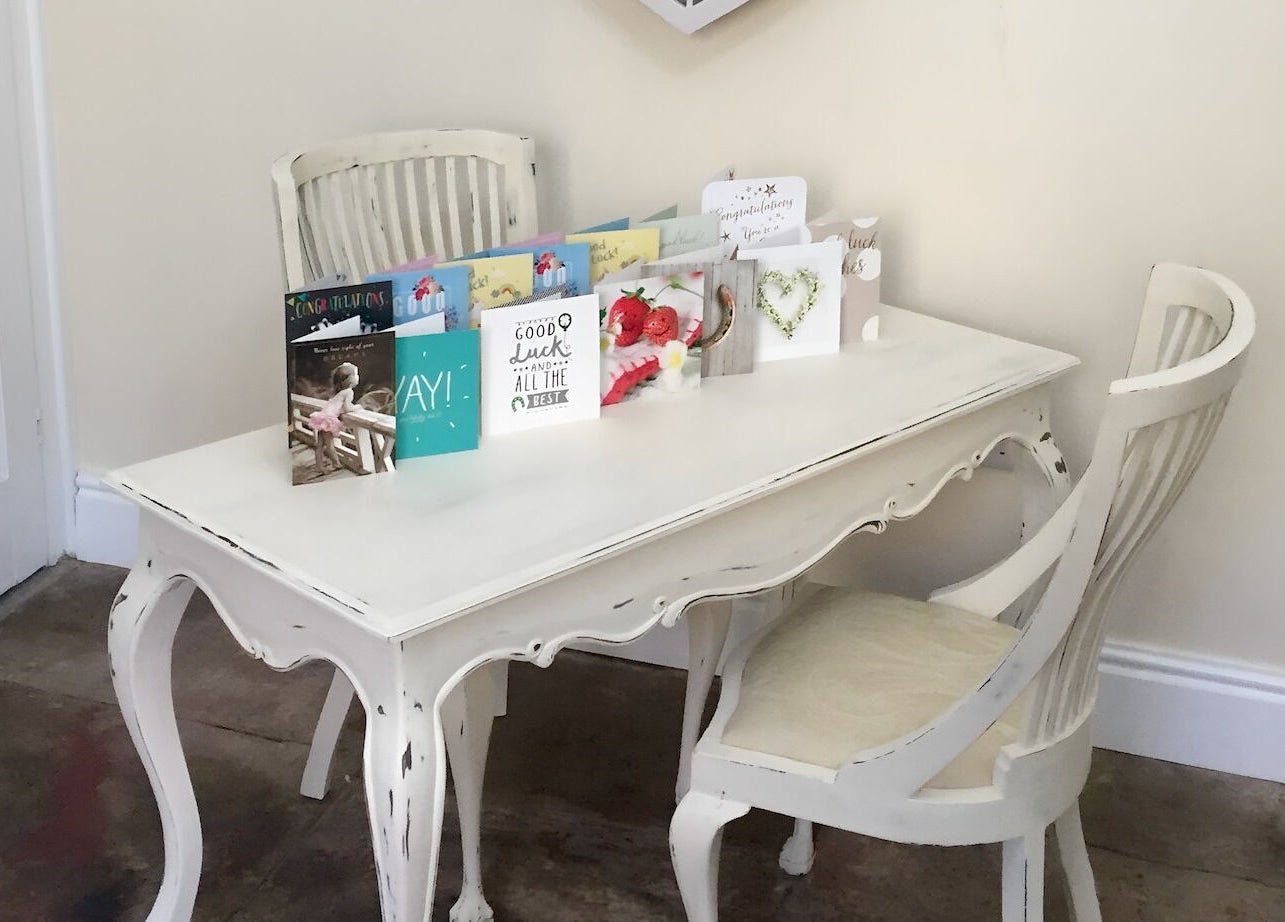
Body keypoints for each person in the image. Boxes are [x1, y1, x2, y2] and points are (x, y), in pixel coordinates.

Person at [308, 362, 358, 472]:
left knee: (320, 444)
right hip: (328, 419)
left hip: (323, 416)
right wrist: (357, 407)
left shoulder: (338, 392)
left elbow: (339, 406)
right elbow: (347, 407)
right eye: (356, 375)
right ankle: (336, 463)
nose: (358, 377)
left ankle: (319, 466)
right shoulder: (349, 392)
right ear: (350, 379)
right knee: (329, 444)